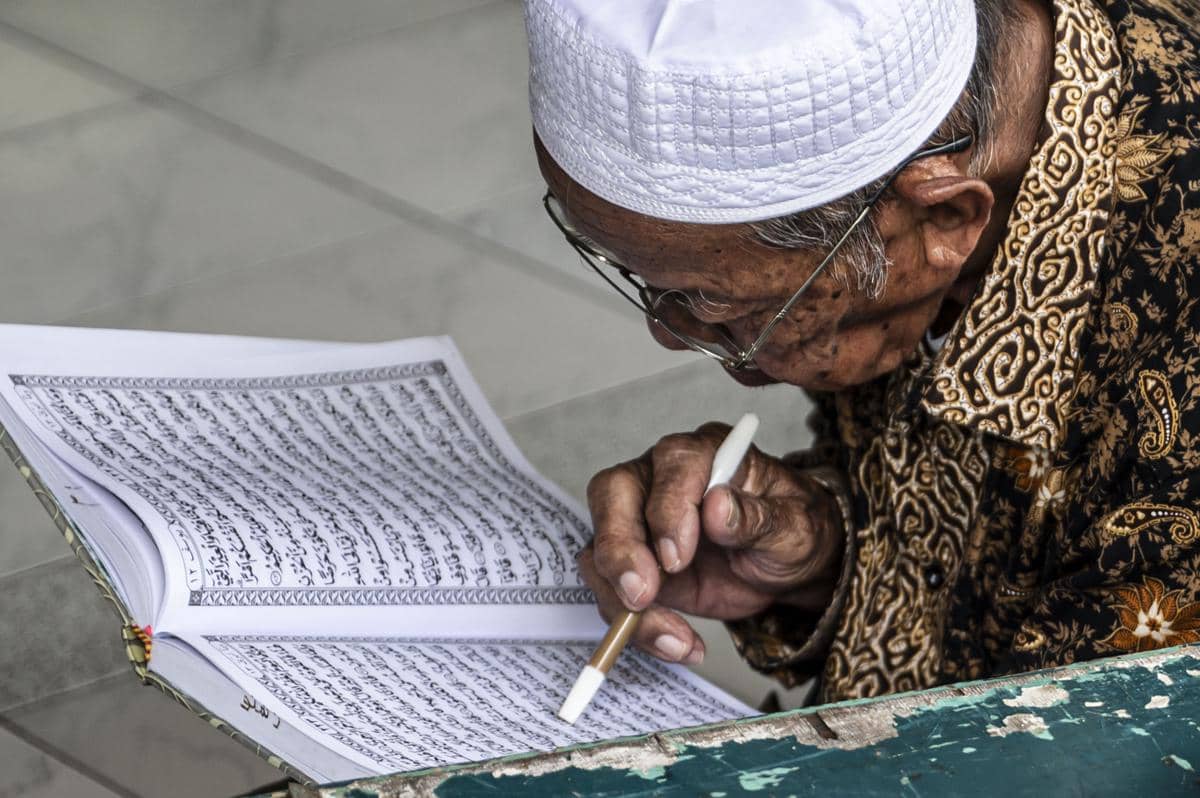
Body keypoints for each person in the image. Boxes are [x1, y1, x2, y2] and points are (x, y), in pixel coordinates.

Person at [524, 0, 1200, 702]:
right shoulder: (893, 198)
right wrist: (822, 546)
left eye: (720, 307)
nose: (667, 332)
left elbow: (1080, 741)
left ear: (945, 218)